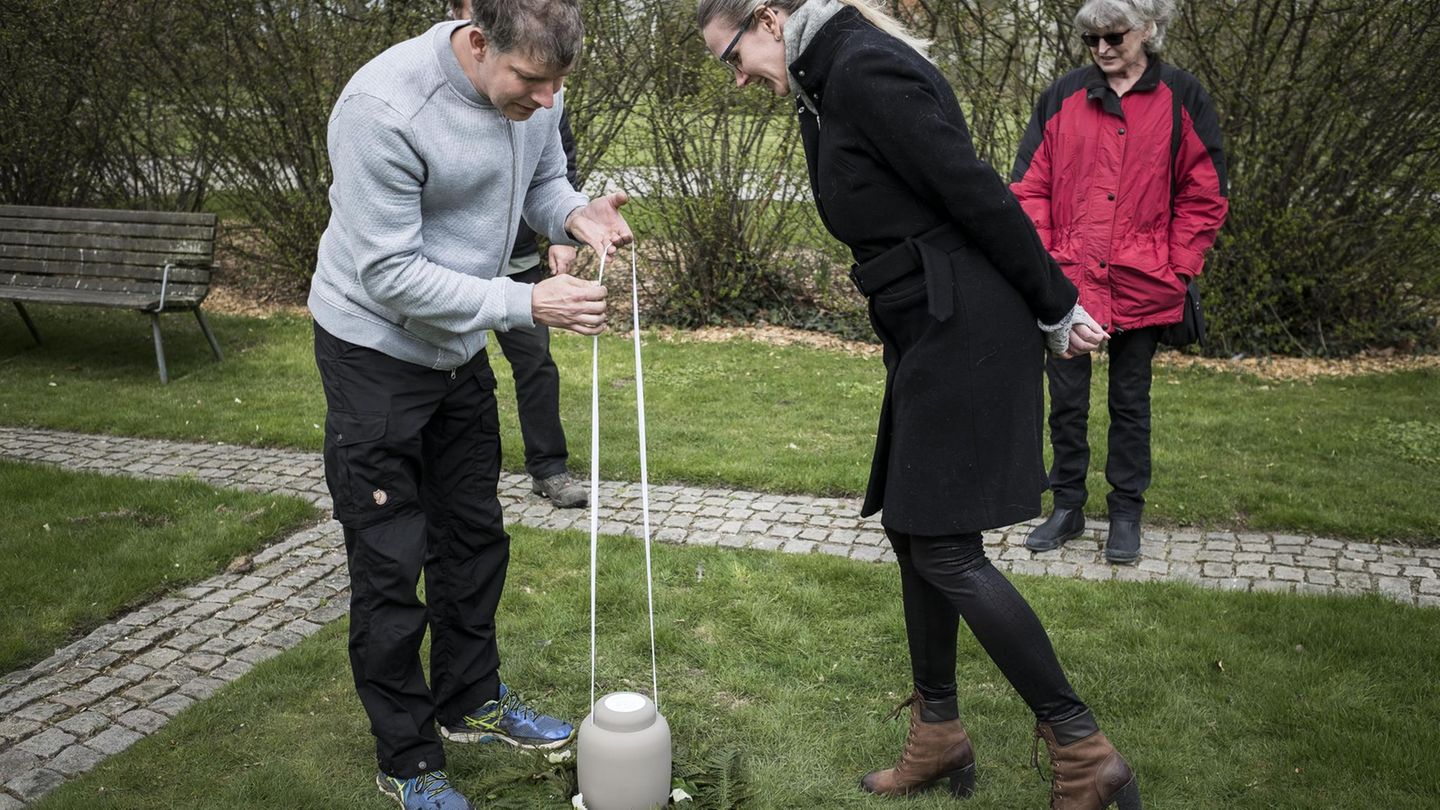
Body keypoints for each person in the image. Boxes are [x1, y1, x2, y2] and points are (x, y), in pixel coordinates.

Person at [697, 2, 1140, 808]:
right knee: (915, 527)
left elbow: (971, 188)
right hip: (927, 322)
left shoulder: (862, 67)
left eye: (732, 55)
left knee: (942, 546)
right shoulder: (824, 78)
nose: (734, 78)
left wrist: (1054, 303)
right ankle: (939, 734)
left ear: (768, 18)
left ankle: (1083, 749)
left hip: (963, 316)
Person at [308, 0, 633, 807]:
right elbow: (390, 275)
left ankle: (469, 702)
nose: (548, 101)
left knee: (473, 535)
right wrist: (526, 304)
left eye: (560, 84)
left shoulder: (530, 88)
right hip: (373, 353)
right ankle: (408, 759)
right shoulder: (383, 108)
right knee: (390, 562)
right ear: (478, 42)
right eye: (532, 81)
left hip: (457, 349)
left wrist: (572, 210)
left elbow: (542, 175)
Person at [1011, 0, 1227, 565]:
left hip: (1144, 279)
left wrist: (1177, 268)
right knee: (1066, 401)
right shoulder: (1062, 95)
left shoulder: (1183, 96)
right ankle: (1068, 505)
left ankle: (1126, 512)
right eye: (1091, 40)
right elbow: (1028, 187)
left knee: (1131, 401)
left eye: (1114, 37)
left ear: (1148, 30)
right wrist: (1044, 265)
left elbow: (1204, 193)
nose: (1102, 50)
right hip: (1068, 282)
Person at [448, 0, 588, 510]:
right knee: (460, 376)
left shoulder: (540, 89)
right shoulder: (429, 91)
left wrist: (566, 232)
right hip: (448, 280)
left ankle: (548, 469)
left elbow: (555, 172)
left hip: (519, 263)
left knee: (536, 365)